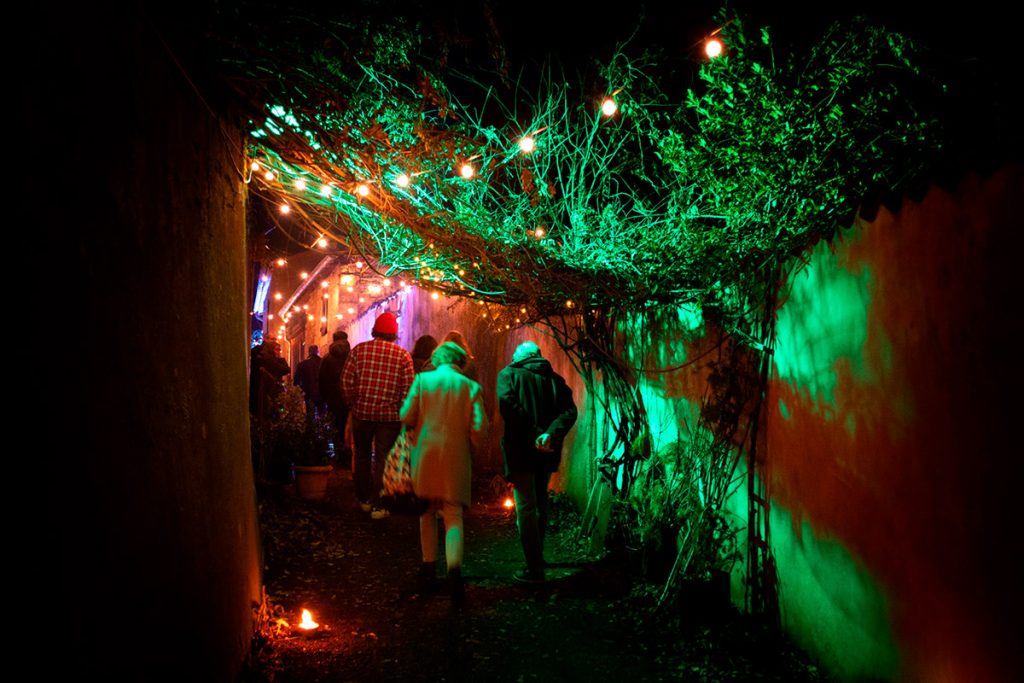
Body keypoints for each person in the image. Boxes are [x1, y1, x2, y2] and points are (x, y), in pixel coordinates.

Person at [400, 341, 488, 605]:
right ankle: (455, 574)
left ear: (437, 359)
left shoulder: (422, 381)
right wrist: (472, 446)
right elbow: (480, 427)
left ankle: (428, 567)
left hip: (425, 454)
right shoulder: (471, 387)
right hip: (455, 455)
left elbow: (406, 415)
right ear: (460, 362)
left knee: (426, 513)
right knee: (453, 516)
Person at [497, 340, 577, 584]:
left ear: (521, 356)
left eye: (514, 355)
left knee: (526, 506)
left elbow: (509, 407)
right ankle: (538, 557)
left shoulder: (508, 375)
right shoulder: (556, 380)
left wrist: (534, 433)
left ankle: (534, 568)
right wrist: (549, 434)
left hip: (521, 450)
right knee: (541, 500)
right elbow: (569, 411)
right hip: (547, 450)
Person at [343, 312, 414, 519]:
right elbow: (407, 388)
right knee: (383, 457)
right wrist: (401, 409)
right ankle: (378, 505)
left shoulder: (359, 351)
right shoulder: (402, 356)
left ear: (375, 330)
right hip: (389, 417)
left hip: (362, 413)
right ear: (394, 333)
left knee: (362, 456)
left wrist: (352, 402)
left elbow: (346, 381)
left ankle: (363, 499)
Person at [318, 330, 351, 468]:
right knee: (348, 427)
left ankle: (337, 455)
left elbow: (321, 379)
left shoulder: (326, 358)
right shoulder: (351, 356)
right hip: (348, 398)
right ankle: (348, 456)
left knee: (335, 426)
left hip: (332, 398)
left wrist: (325, 397)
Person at [293, 345, 323, 415]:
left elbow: (296, 380)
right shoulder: (323, 362)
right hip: (321, 393)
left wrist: (300, 390)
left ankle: (311, 425)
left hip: (308, 392)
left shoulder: (302, 364)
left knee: (310, 414)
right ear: (317, 352)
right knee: (322, 414)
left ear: (309, 352)